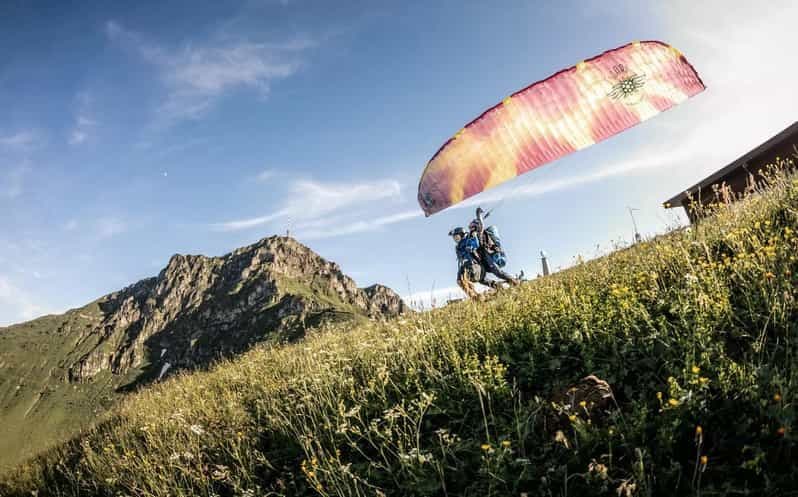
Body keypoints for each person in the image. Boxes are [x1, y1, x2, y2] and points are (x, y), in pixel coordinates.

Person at [470, 207, 520, 287]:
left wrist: (478, 213)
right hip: (481, 257)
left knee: (498, 272)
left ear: (476, 226)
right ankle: (498, 286)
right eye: (470, 227)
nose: (471, 229)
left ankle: (514, 282)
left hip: (487, 253)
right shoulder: (472, 236)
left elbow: (481, 224)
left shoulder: (480, 232)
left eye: (472, 227)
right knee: (482, 277)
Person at [449, 226, 482, 299]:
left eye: (456, 237)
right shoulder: (458, 246)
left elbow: (476, 244)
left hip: (471, 263)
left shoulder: (467, 240)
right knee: (459, 281)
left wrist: (474, 237)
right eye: (454, 238)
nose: (455, 239)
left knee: (465, 280)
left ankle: (476, 296)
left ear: (461, 235)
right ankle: (474, 296)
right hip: (463, 265)